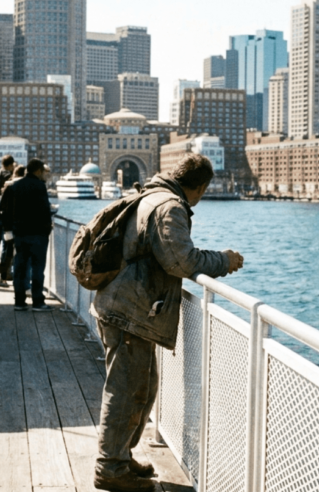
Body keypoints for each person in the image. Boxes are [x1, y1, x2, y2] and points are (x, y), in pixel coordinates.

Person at [90, 153, 244, 492]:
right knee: (126, 391)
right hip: (129, 311)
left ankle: (120, 456)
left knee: (142, 389)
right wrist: (225, 260)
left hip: (125, 306)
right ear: (201, 187)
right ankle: (110, 468)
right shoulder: (169, 206)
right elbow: (181, 260)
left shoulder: (148, 194)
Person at [0, 158, 53, 311]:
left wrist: (8, 229)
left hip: (20, 233)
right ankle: (37, 302)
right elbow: (45, 211)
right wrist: (47, 230)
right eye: (43, 171)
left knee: (20, 268)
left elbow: (6, 210)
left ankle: (19, 302)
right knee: (37, 269)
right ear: (38, 171)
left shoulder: (15, 185)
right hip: (38, 234)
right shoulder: (40, 186)